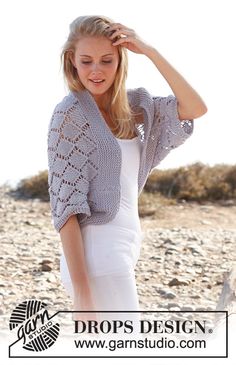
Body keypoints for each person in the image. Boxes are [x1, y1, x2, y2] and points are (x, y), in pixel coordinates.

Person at [47, 15, 207, 337]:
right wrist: (82, 294)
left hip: (124, 248)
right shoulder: (70, 116)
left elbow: (195, 108)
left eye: (107, 60)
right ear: (72, 62)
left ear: (121, 60)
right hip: (97, 257)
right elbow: (66, 209)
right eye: (87, 61)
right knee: (129, 348)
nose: (96, 70)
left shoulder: (136, 106)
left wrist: (149, 51)